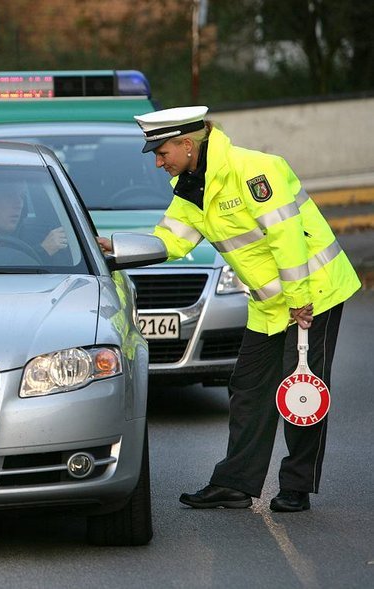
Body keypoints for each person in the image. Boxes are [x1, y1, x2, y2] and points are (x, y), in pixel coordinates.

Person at [99, 106, 360, 512]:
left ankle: (296, 486)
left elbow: (286, 238)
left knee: (302, 389)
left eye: (162, 151)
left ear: (187, 144)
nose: (158, 161)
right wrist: (116, 246)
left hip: (314, 293)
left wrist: (299, 301)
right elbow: (172, 240)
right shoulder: (191, 186)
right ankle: (235, 484)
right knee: (247, 388)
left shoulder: (255, 170)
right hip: (268, 303)